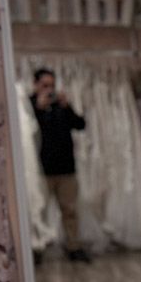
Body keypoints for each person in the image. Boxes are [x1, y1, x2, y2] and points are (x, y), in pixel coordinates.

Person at [31, 68, 90, 262]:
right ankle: (36, 248)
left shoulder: (61, 104)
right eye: (45, 85)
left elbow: (80, 125)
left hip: (66, 168)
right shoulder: (30, 105)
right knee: (39, 210)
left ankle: (73, 246)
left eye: (52, 85)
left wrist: (67, 106)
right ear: (36, 85)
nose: (49, 90)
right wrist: (38, 109)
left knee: (70, 210)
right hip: (41, 170)